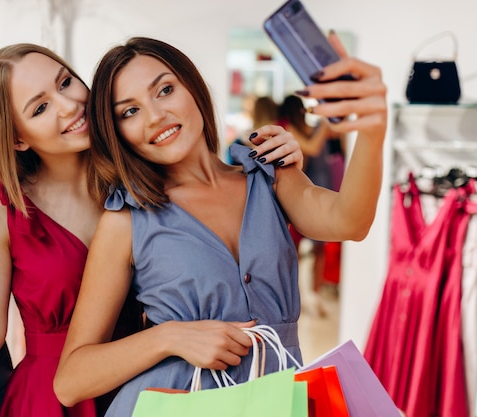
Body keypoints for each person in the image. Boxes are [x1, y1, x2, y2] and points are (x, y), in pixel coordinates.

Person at [0, 43, 304, 417]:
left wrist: (285, 162)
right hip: (54, 398)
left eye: (66, 82)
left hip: (159, 382)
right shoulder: (5, 207)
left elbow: (218, 198)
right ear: (17, 138)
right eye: (40, 107)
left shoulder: (139, 178)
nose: (70, 105)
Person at [54, 35, 387, 417]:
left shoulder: (268, 175)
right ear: (117, 133)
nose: (155, 116)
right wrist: (170, 337)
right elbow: (71, 381)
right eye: (129, 112)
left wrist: (372, 131)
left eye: (164, 90)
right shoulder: (127, 219)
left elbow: (350, 221)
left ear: (192, 86)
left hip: (277, 399)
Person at [278, 94, 347, 316]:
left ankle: (313, 295)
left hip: (317, 188)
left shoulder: (306, 128)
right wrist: (325, 125)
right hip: (296, 195)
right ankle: (295, 297)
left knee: (318, 248)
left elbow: (341, 139)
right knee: (292, 252)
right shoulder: (287, 128)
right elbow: (313, 148)